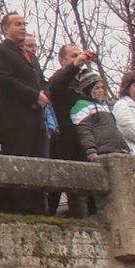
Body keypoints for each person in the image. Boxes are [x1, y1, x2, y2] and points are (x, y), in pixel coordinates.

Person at [0, 12, 49, 212]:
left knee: (40, 166)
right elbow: (6, 80)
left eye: (24, 24)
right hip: (16, 120)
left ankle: (40, 211)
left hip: (37, 119)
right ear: (6, 29)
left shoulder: (30, 55)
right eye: (17, 24)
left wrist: (44, 94)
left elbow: (41, 80)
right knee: (20, 166)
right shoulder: (0, 52)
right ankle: (21, 211)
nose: (23, 27)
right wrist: (34, 96)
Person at [47, 44, 97, 217]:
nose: (78, 59)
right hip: (65, 142)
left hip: (86, 140)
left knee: (89, 188)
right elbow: (57, 86)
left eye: (79, 55)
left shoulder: (84, 83)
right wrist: (76, 64)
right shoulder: (57, 80)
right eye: (73, 56)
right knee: (68, 187)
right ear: (62, 60)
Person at [71, 75, 130, 162]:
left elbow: (115, 130)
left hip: (116, 151)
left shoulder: (105, 106)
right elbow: (84, 131)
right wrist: (91, 150)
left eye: (102, 88)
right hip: (100, 153)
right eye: (97, 88)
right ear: (89, 89)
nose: (101, 91)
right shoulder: (81, 106)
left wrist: (125, 148)